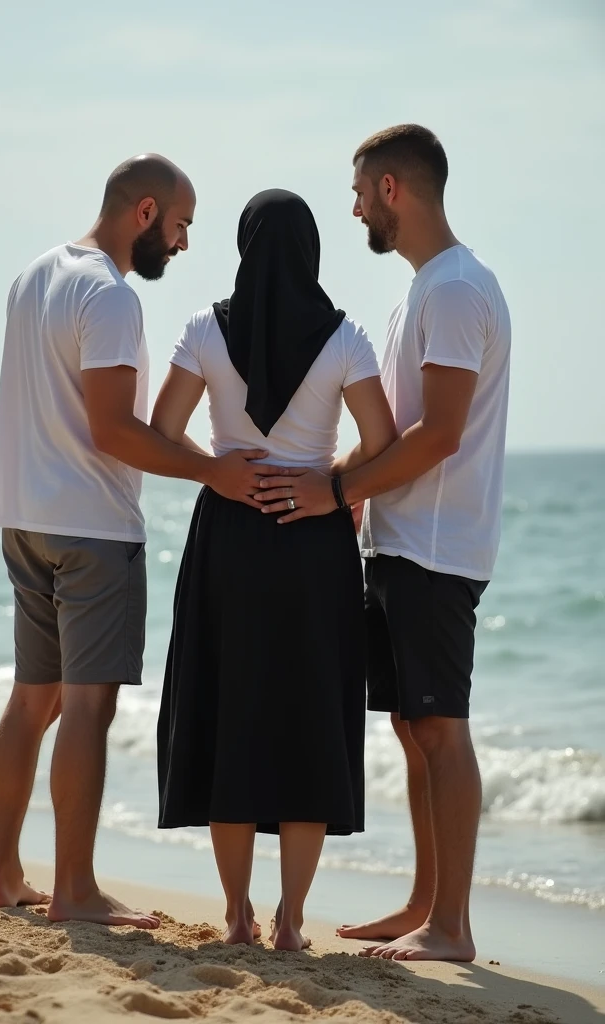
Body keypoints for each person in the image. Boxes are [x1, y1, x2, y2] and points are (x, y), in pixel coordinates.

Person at [0, 154, 283, 928]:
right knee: (86, 710)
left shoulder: (33, 276)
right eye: (181, 225)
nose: (183, 244)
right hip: (90, 530)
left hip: (24, 518)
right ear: (145, 212)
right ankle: (74, 890)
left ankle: (5, 877)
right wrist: (211, 472)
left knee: (31, 703)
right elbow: (112, 429)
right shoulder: (110, 296)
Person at [254, 126, 511, 962]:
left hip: (439, 547)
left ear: (394, 188)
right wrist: (332, 477)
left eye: (360, 189)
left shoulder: (458, 290)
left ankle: (454, 928)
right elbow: (393, 433)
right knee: (412, 725)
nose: (355, 204)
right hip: (400, 541)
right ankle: (425, 903)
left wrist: (338, 491)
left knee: (441, 727)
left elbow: (438, 436)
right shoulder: (420, 294)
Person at [151, 189, 396, 951]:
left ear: (245, 246)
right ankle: (292, 921)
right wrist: (327, 482)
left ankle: (237, 915)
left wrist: (216, 470)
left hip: (229, 532)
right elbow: (383, 443)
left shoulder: (203, 328)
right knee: (308, 724)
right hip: (313, 539)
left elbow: (164, 431)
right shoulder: (346, 336)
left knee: (229, 717)